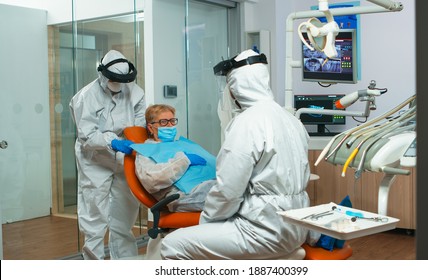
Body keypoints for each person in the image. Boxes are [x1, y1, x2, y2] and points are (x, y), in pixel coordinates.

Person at [161, 49, 312, 259]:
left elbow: (228, 191)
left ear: (236, 87)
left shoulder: (246, 123)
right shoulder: (291, 120)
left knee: (171, 245)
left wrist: (207, 221)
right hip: (296, 227)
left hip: (263, 230)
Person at [69, 50, 146, 260]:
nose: (117, 84)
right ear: (102, 74)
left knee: (125, 212)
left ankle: (125, 262)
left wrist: (136, 140)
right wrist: (112, 141)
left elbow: (140, 123)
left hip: (123, 157)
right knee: (94, 214)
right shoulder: (86, 96)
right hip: (94, 158)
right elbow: (87, 135)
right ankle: (93, 263)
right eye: (113, 80)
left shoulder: (135, 92)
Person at [134, 104, 216, 212]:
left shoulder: (182, 144)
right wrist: (183, 161)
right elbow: (152, 180)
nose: (169, 125)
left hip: (207, 185)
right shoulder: (146, 151)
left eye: (172, 121)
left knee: (236, 183)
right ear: (150, 127)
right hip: (183, 195)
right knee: (230, 191)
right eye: (164, 122)